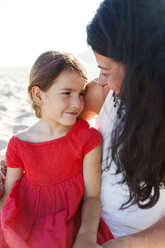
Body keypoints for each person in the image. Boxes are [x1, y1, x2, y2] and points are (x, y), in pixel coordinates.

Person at [0, 51, 113, 248]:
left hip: (70, 226)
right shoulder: (18, 144)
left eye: (81, 94)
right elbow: (9, 198)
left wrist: (86, 236)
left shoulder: (87, 139)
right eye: (67, 93)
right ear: (38, 95)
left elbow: (92, 197)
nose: (77, 103)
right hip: (26, 226)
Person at [81, 0, 165, 247]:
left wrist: (124, 244)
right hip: (87, 226)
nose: (100, 80)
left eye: (106, 70)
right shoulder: (103, 95)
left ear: (143, 66)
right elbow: (55, 135)